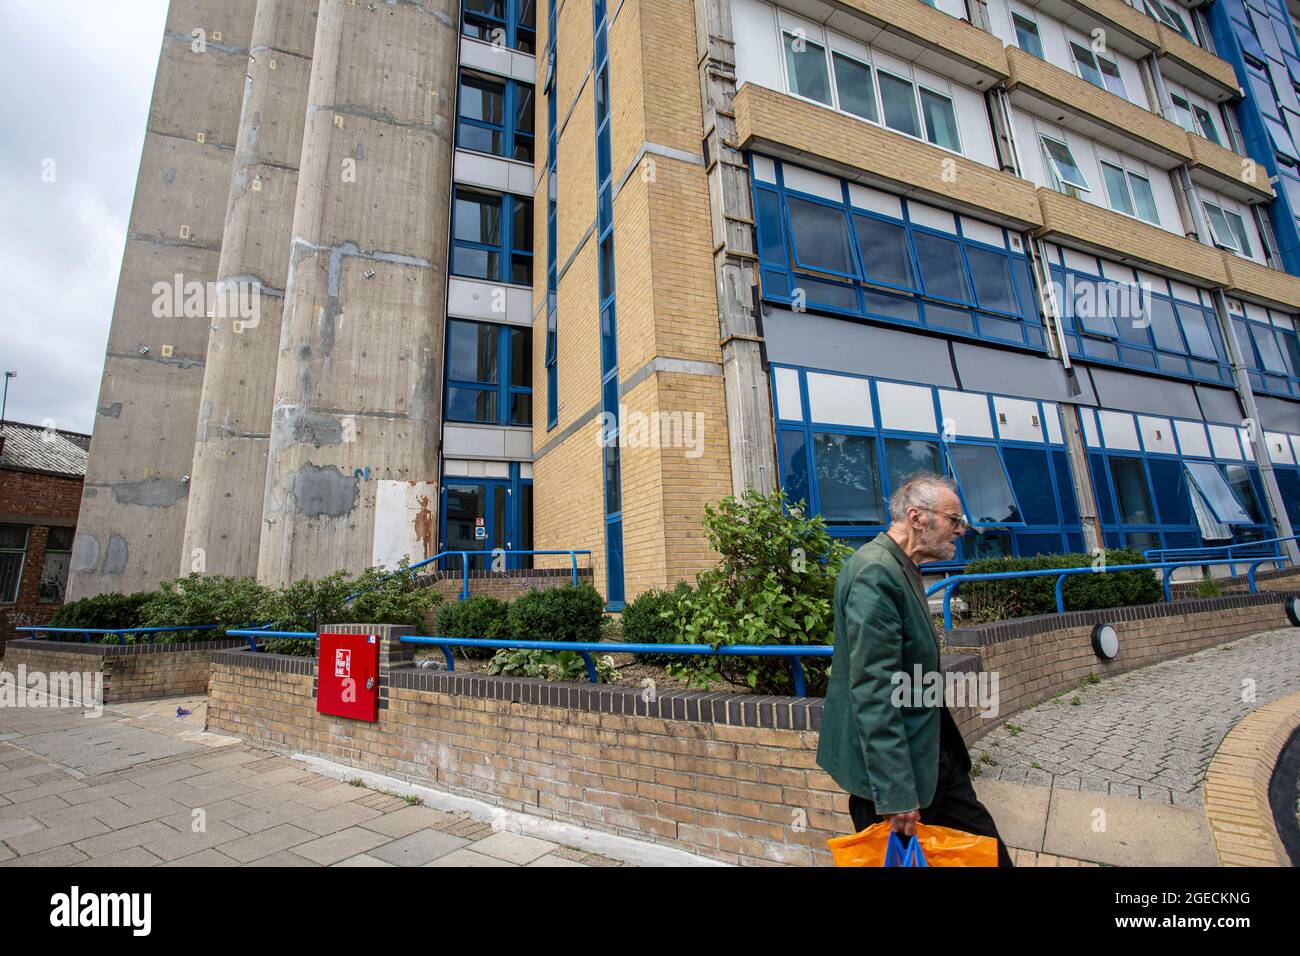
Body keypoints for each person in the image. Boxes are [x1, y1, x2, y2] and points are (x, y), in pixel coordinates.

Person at [816, 472, 1013, 867]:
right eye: (954, 520)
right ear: (917, 517)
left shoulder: (900, 566)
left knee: (988, 857)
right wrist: (895, 792)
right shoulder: (876, 572)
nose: (962, 530)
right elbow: (873, 688)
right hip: (897, 776)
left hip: (930, 758)